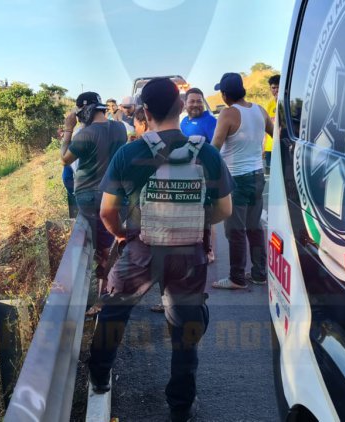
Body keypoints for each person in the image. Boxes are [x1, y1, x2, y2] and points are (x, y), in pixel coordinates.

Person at [87, 78, 233, 422]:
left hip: (141, 249)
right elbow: (224, 211)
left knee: (113, 312)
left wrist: (122, 236)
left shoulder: (130, 153)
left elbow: (107, 211)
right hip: (189, 256)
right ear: (182, 107)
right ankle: (180, 408)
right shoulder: (206, 153)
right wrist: (196, 222)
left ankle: (99, 377)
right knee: (185, 333)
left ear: (145, 111)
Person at [61, 92, 127, 313]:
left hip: (90, 196)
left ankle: (102, 298)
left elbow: (64, 158)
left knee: (96, 249)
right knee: (112, 242)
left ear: (86, 111)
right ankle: (106, 290)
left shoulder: (85, 134)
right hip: (117, 194)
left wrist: (68, 129)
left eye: (80, 114)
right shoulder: (119, 129)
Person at [211, 72, 274, 289]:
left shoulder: (228, 114)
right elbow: (277, 134)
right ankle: (259, 273)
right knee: (254, 227)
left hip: (236, 179)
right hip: (257, 175)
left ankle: (237, 278)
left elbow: (215, 148)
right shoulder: (260, 110)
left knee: (235, 230)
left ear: (225, 94)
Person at [180, 87, 219, 265]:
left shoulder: (210, 121)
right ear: (185, 104)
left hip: (205, 175)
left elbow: (216, 149)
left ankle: (208, 249)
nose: (195, 104)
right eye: (192, 101)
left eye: (198, 101)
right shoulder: (183, 123)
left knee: (206, 212)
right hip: (187, 174)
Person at [264, 74, 280, 174]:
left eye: (278, 87)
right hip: (270, 146)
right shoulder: (270, 105)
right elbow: (266, 125)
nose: (276, 90)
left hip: (282, 145)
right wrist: (264, 146)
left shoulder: (287, 102)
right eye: (273, 88)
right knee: (271, 175)